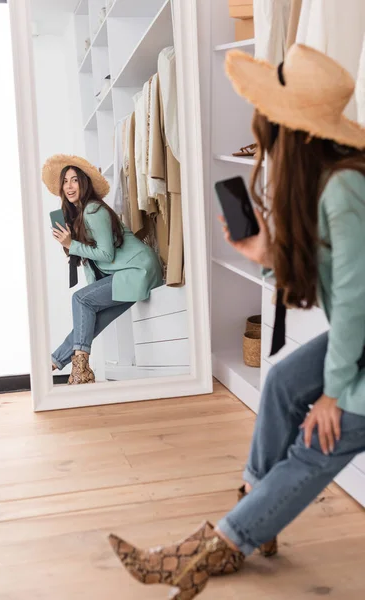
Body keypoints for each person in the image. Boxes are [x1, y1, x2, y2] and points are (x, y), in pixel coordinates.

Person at [107, 45, 365, 599]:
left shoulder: (344, 189)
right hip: (360, 338)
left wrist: (338, 394)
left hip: (362, 342)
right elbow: (329, 291)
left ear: (289, 126)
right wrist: (266, 256)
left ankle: (214, 548)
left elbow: (357, 304)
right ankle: (256, 509)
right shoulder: (329, 183)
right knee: (280, 383)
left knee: (321, 438)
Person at [43, 155, 163, 385]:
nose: (69, 186)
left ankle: (80, 371)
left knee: (80, 300)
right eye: (65, 181)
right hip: (125, 275)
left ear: (84, 183)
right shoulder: (79, 216)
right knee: (89, 320)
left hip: (138, 270)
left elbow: (107, 254)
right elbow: (91, 262)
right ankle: (53, 362)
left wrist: (72, 244)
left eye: (75, 180)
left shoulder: (93, 210)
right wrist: (68, 244)